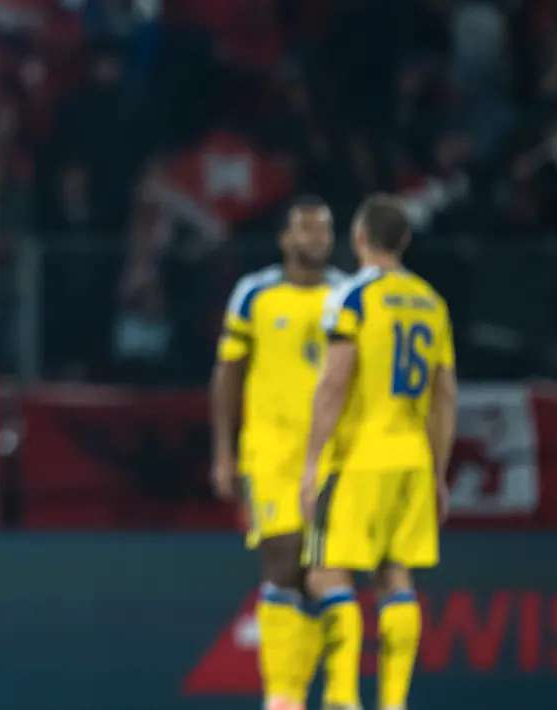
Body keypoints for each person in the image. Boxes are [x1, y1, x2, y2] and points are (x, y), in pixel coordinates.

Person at [299, 195, 458, 710]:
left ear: (359, 237)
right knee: (395, 577)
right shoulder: (432, 302)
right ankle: (393, 703)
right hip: (412, 459)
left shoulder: (352, 297)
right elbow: (445, 395)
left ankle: (343, 699)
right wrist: (438, 472)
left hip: (359, 458)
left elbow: (333, 383)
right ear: (404, 241)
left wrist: (311, 461)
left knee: (326, 574)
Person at [209, 196, 345, 710]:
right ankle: (283, 695)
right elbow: (228, 373)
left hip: (334, 456)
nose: (315, 238)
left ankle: (328, 693)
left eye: (323, 229)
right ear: (285, 238)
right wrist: (224, 452)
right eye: (305, 229)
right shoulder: (255, 293)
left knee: (326, 573)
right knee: (284, 559)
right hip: (270, 454)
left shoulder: (347, 295)